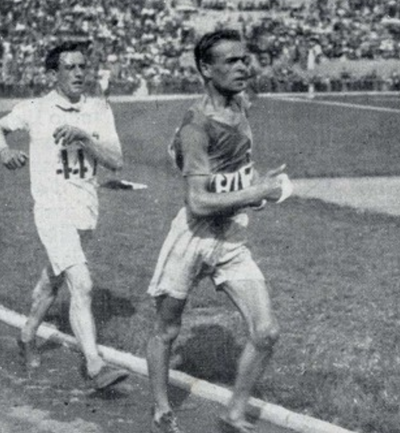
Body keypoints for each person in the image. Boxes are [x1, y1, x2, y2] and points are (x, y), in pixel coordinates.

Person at [145, 30, 293, 433]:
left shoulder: (240, 104)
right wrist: (257, 192)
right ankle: (161, 408)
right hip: (192, 238)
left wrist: (255, 184)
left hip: (230, 238)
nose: (244, 67)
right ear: (206, 70)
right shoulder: (196, 126)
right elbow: (197, 202)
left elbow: (234, 172)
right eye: (231, 61)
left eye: (245, 59)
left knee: (266, 332)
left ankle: (233, 413)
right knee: (167, 330)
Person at [0, 41, 130, 390]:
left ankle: (27, 334)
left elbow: (115, 161)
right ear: (53, 74)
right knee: (81, 283)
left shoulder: (99, 109)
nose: (79, 73)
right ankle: (94, 364)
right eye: (70, 68)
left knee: (52, 279)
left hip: (85, 209)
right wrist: (4, 152)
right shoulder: (36, 109)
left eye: (83, 66)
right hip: (51, 210)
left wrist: (85, 137)